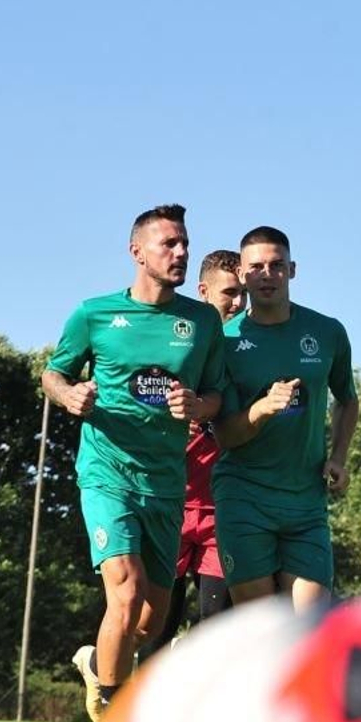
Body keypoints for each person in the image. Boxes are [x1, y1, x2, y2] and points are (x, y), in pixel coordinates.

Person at [44, 204, 227, 722]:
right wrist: (69, 395)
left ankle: (96, 664)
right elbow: (52, 373)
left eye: (184, 243)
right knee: (122, 592)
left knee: (149, 620)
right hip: (107, 473)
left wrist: (199, 406)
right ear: (137, 252)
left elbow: (216, 394)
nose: (181, 253)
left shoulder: (201, 321)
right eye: (169, 244)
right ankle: (111, 711)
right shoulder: (94, 315)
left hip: (165, 483)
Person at [213, 226, 359, 611]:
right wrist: (261, 409)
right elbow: (225, 435)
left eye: (277, 265)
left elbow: (347, 398)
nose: (267, 275)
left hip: (306, 501)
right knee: (262, 629)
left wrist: (339, 456)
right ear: (243, 275)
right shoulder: (224, 342)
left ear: (292, 270)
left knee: (309, 626)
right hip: (244, 498)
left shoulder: (327, 332)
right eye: (256, 267)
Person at [142, 250, 247, 655]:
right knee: (156, 628)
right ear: (203, 291)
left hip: (221, 509)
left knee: (215, 632)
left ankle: (202, 718)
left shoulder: (249, 350)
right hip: (169, 505)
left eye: (243, 296)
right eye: (230, 293)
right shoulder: (175, 341)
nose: (238, 303)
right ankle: (116, 684)